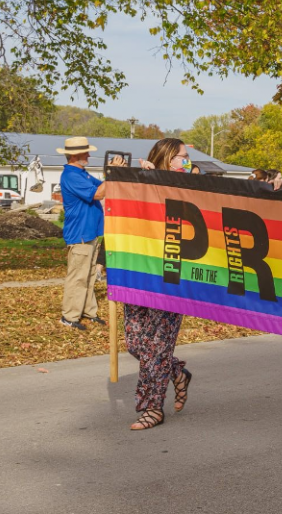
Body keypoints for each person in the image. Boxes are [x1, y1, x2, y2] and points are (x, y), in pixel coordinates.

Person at [124, 138, 198, 430]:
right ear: (168, 159)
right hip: (138, 272)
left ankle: (152, 407)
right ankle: (177, 371)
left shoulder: (191, 186)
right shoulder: (141, 183)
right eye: (183, 157)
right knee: (135, 343)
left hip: (171, 276)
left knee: (156, 346)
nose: (187, 162)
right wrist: (133, 177)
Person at [58, 136, 112, 330]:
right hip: (80, 234)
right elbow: (99, 194)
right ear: (75, 155)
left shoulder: (82, 174)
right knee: (78, 276)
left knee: (89, 274)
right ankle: (69, 316)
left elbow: (102, 187)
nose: (89, 155)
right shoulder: (71, 175)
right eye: (86, 152)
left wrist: (112, 175)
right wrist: (111, 174)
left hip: (90, 233)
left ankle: (88, 311)